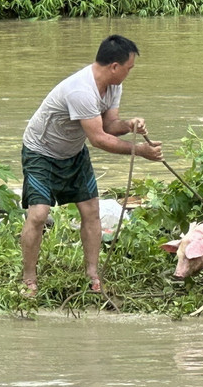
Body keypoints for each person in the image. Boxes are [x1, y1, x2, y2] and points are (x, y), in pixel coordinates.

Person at [19, 34, 163, 296]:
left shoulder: (113, 85)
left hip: (72, 152)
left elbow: (109, 126)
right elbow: (98, 139)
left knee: (91, 211)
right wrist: (140, 151)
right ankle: (29, 278)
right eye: (129, 68)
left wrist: (130, 125)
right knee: (38, 214)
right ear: (114, 67)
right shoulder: (81, 90)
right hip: (41, 152)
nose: (130, 73)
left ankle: (93, 274)